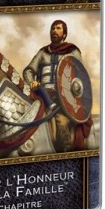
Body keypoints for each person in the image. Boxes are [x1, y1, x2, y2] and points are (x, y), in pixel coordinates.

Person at [22, 20, 91, 151]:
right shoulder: (43, 53)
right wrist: (32, 82)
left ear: (64, 34)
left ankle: (64, 154)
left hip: (63, 100)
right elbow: (28, 71)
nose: (54, 30)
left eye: (58, 28)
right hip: (41, 95)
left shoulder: (72, 52)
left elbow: (80, 77)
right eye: (53, 28)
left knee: (62, 123)